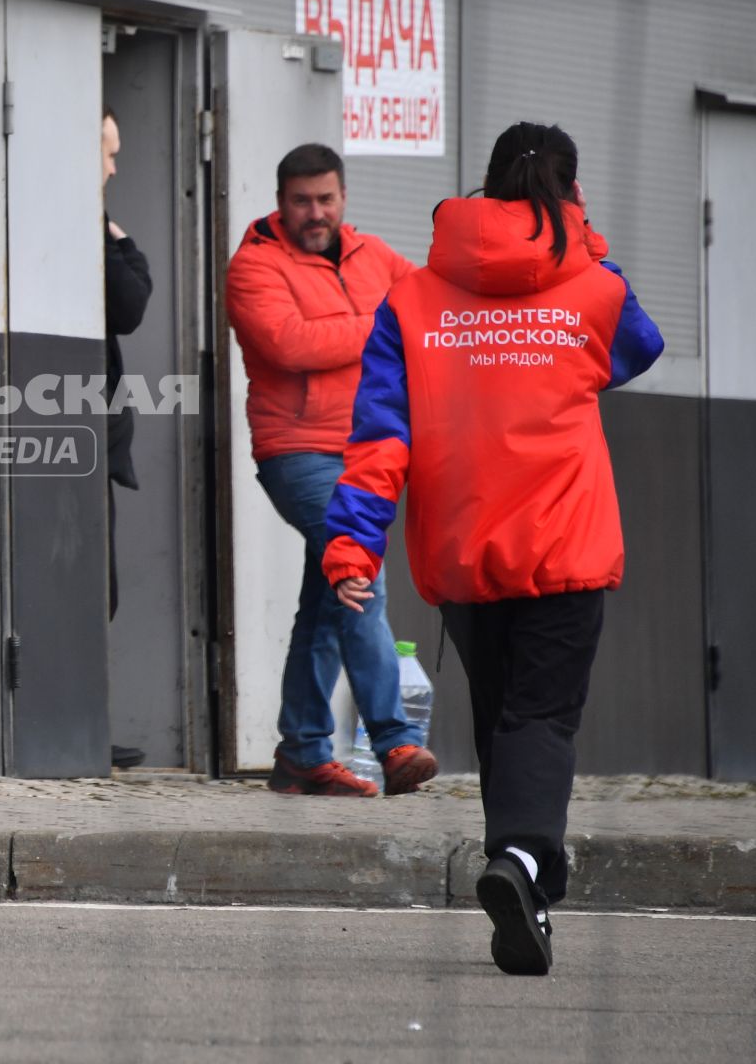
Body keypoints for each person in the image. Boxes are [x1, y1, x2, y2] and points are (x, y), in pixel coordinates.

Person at [324, 122, 663, 975]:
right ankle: (521, 861)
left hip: (464, 548)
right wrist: (580, 246)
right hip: (563, 540)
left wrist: (351, 552)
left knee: (501, 718)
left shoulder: (411, 297)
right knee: (542, 720)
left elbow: (378, 439)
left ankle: (526, 885)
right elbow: (640, 349)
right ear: (570, 191)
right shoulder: (596, 288)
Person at [224, 143, 436, 798]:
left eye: (326, 199)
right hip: (299, 452)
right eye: (301, 201)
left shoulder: (376, 256)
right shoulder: (253, 266)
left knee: (325, 604)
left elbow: (426, 303)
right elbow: (291, 344)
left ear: (343, 197)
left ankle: (303, 752)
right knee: (359, 573)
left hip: (369, 451)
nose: (314, 212)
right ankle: (394, 739)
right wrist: (381, 323)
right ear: (280, 201)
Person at [101, 107, 154, 621]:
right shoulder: (85, 222)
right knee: (94, 593)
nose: (113, 169)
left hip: (89, 437)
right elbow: (129, 304)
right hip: (79, 438)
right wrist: (127, 246)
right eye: (108, 154)